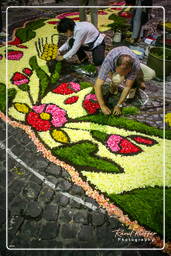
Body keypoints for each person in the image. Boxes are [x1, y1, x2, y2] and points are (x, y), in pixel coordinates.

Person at [94, 46, 155, 116]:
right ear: (115, 66)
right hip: (114, 62)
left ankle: (138, 80)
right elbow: (97, 85)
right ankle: (114, 84)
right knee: (117, 79)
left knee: (151, 74)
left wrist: (119, 105)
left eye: (126, 73)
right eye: (121, 72)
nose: (123, 75)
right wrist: (102, 105)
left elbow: (127, 87)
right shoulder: (109, 61)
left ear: (130, 68)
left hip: (134, 64)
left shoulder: (135, 65)